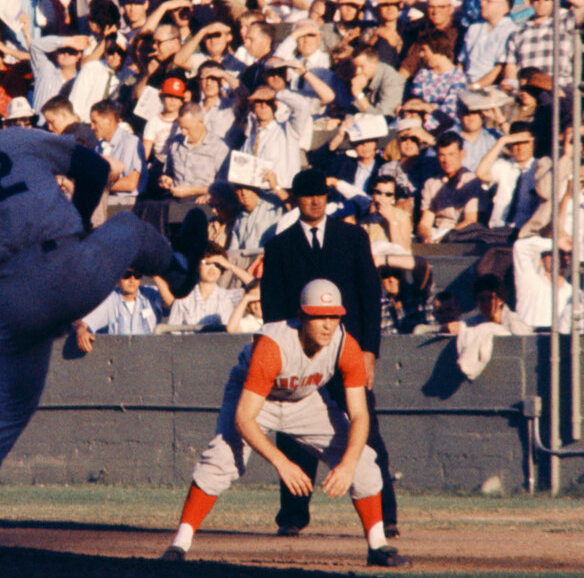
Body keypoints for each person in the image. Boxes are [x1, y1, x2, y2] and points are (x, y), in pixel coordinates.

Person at [0, 82, 206, 549]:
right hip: (66, 264)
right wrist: (80, 225)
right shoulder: (11, 139)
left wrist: (13, 309)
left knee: (9, 409)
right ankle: (181, 269)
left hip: (7, 299)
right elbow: (93, 169)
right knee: (128, 224)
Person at [159, 279, 409, 568]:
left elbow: (360, 415)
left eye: (333, 316)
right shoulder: (273, 345)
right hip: (255, 399)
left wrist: (348, 464)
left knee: (363, 460)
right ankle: (180, 543)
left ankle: (377, 545)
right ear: (302, 316)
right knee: (220, 460)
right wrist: (282, 462)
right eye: (318, 316)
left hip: (305, 400)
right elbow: (244, 417)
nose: (328, 325)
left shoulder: (345, 345)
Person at [259, 169, 396, 539]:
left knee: (366, 426)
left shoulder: (352, 237)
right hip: (299, 353)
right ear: (296, 199)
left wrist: (370, 351)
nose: (315, 201)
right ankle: (292, 516)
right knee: (291, 432)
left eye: (320, 194)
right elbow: (273, 309)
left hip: (347, 350)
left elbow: (370, 296)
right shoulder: (279, 245)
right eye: (307, 196)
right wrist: (281, 356)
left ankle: (386, 516)